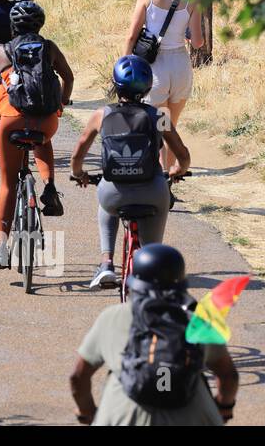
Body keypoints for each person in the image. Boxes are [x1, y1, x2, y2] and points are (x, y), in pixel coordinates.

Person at [70, 244, 239, 425]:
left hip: (124, 416)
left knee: (116, 375)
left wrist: (86, 412)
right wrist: (224, 408)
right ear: (181, 285)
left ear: (134, 285)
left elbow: (78, 377)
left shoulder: (111, 317)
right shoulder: (199, 322)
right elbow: (228, 376)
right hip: (192, 417)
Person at [70, 55, 192, 289]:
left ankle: (106, 263)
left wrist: (79, 174)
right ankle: (151, 267)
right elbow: (183, 155)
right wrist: (177, 170)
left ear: (116, 85)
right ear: (147, 87)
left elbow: (77, 155)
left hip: (114, 193)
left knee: (105, 203)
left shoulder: (101, 115)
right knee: (152, 250)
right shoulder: (159, 117)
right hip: (152, 191)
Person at [0, 0, 73, 266]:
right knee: (43, 138)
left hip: (12, 120)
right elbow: (68, 78)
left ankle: (0, 246)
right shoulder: (48, 47)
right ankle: (49, 187)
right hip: (47, 120)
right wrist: (60, 104)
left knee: (8, 183)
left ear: (12, 26)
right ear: (40, 25)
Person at [124, 0, 205, 176]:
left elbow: (132, 36)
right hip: (180, 66)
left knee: (159, 125)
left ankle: (159, 175)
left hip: (155, 68)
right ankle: (169, 175)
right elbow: (198, 43)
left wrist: (125, 63)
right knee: (171, 127)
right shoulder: (192, 1)